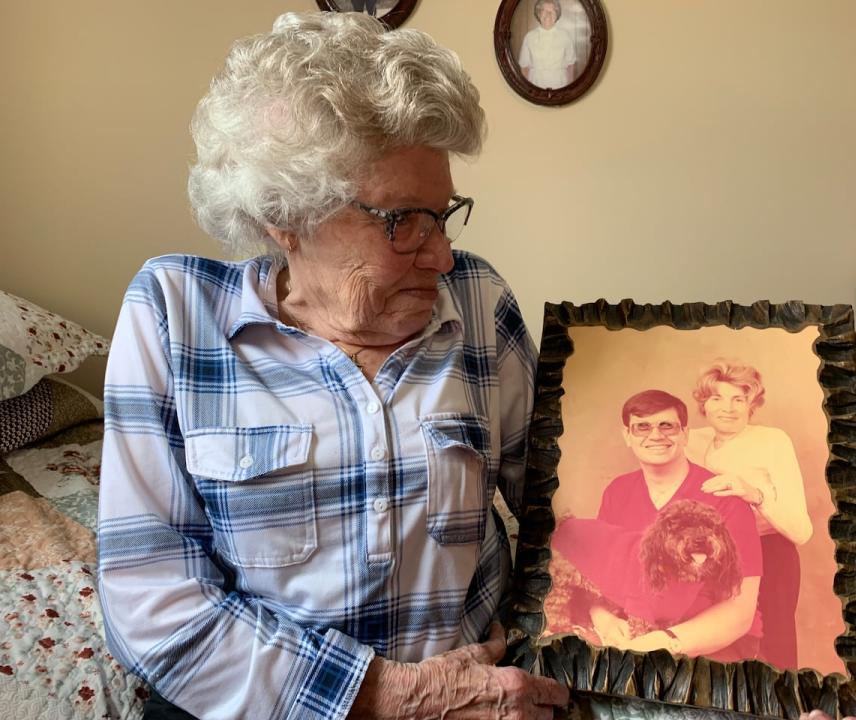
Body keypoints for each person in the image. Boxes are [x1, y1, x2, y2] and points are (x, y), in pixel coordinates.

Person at [96, 11, 568, 719]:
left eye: (444, 215)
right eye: (403, 220)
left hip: (475, 695)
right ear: (285, 215)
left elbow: (563, 514)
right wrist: (391, 697)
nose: (440, 255)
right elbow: (149, 598)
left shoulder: (477, 299)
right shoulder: (175, 315)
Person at [552, 390, 764, 661]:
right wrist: (603, 619)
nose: (655, 436)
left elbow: (740, 610)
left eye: (667, 426)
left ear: (685, 434)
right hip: (637, 630)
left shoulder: (726, 500)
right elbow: (601, 575)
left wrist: (666, 642)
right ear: (627, 436)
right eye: (642, 427)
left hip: (711, 642)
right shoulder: (617, 491)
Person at [685, 359, 813, 670]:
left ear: (751, 403)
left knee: (775, 647)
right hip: (711, 559)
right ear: (704, 403)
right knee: (712, 643)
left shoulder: (772, 441)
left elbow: (801, 531)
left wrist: (754, 494)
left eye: (738, 399)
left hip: (770, 551)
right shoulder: (691, 440)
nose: (727, 408)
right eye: (717, 398)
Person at [518, 0, 576, 89]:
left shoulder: (565, 36)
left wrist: (570, 89)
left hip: (560, 86)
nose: (548, 14)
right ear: (538, 14)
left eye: (552, 11)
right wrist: (527, 89)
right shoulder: (529, 37)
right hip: (536, 85)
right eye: (544, 10)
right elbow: (524, 66)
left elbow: (570, 65)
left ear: (557, 15)